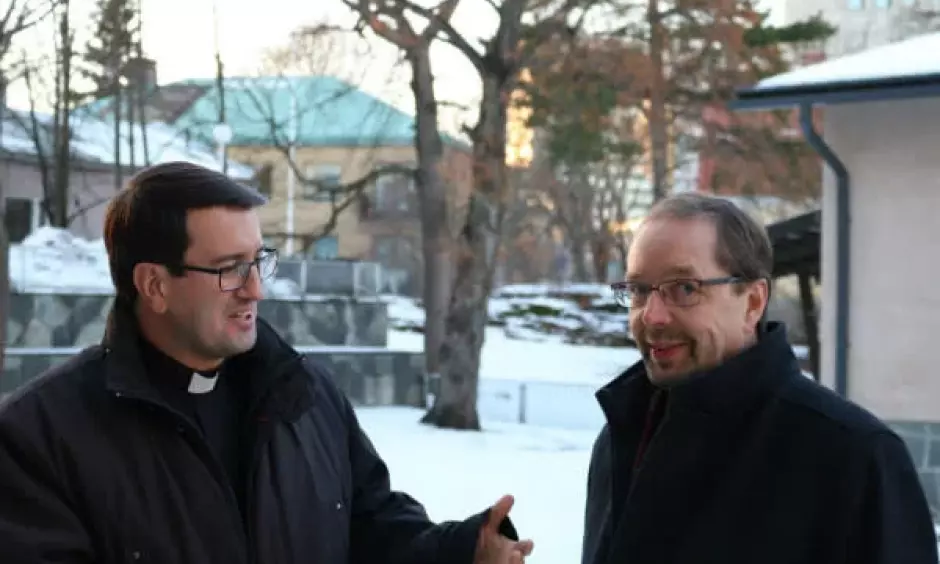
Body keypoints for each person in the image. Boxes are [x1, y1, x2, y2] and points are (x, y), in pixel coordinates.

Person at [0, 162, 535, 564]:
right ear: (154, 284)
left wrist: (460, 551)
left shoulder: (306, 395)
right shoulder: (38, 438)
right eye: (230, 269)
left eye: (258, 261)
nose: (256, 289)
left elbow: (373, 531)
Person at [582, 193, 938, 564]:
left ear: (753, 302)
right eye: (639, 291)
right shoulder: (621, 440)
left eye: (684, 288)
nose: (652, 316)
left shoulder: (853, 457)